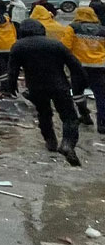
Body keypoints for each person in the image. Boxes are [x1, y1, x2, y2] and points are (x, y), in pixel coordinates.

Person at [6, 19, 86, 166]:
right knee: (69, 117)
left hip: (36, 87)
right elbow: (75, 66)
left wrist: (11, 88)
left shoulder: (18, 46)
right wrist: (79, 85)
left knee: (44, 114)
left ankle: (50, 142)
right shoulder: (55, 44)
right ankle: (67, 144)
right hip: (59, 86)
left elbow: (12, 71)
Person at [60, 6, 102, 129]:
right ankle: (102, 124)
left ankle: (84, 114)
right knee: (100, 94)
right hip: (99, 66)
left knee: (77, 92)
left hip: (78, 66)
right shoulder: (102, 29)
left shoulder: (73, 28)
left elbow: (65, 46)